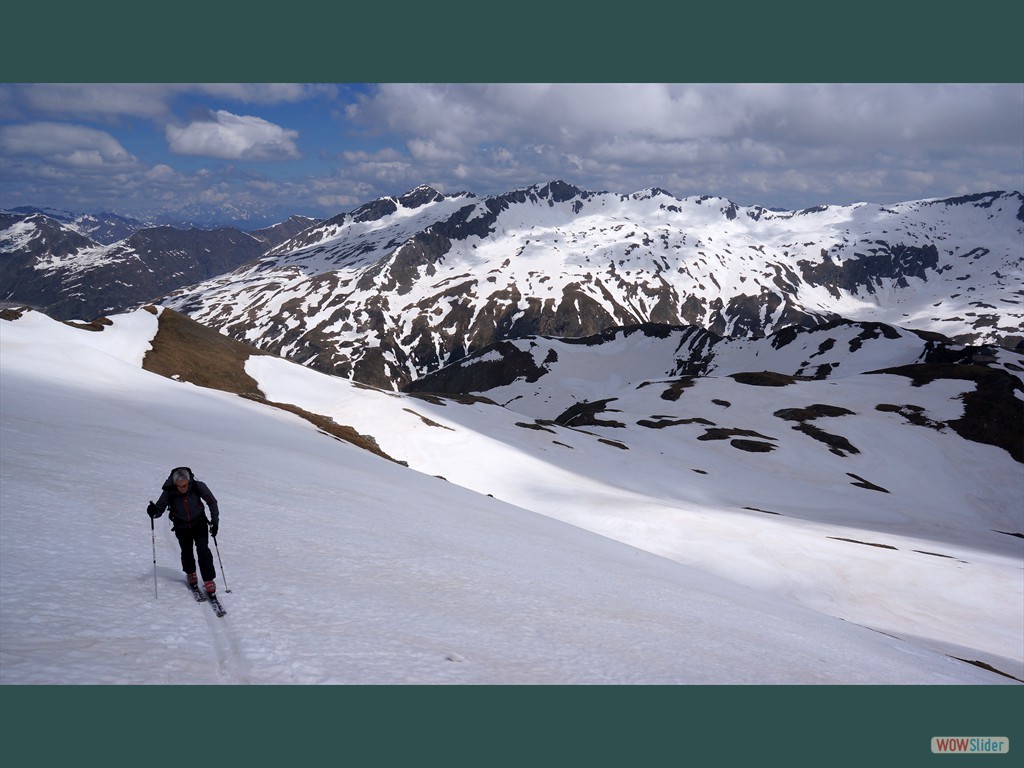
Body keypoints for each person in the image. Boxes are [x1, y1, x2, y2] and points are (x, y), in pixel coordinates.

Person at [147, 467, 220, 594]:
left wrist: (215, 522)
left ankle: (208, 580)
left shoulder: (198, 486)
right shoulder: (169, 491)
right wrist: (153, 512)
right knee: (186, 551)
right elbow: (160, 508)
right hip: (181, 526)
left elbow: (212, 502)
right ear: (175, 484)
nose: (183, 488)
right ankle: (191, 573)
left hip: (199, 522)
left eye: (185, 485)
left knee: (203, 550)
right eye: (180, 486)